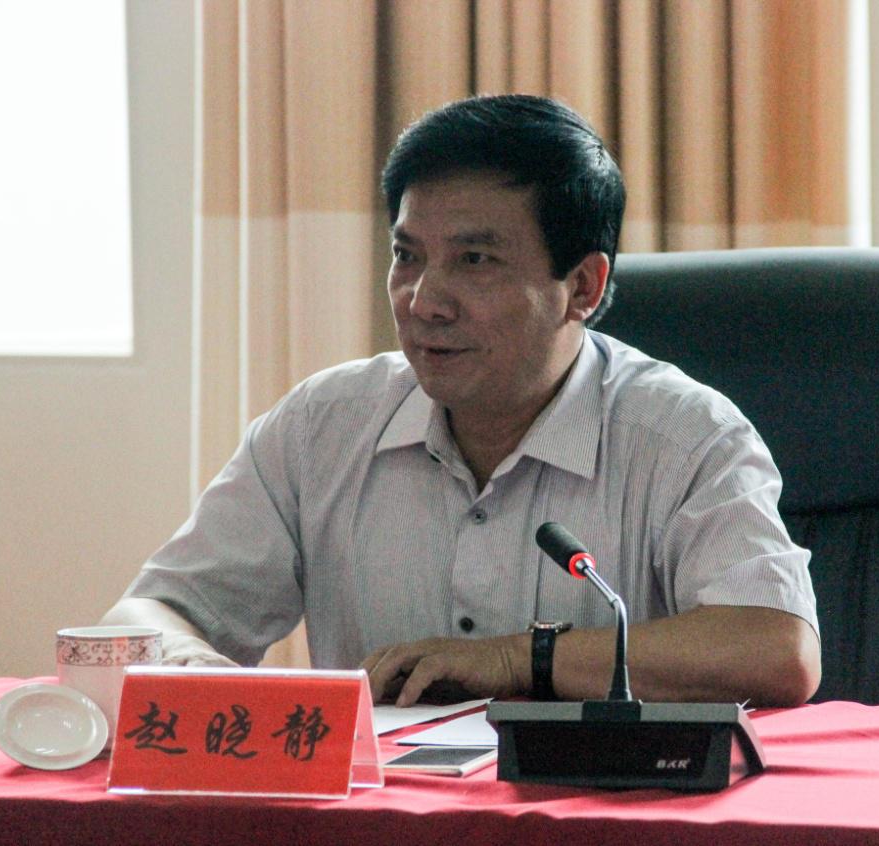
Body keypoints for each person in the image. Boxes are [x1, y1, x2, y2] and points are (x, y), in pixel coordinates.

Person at [101, 94, 821, 707]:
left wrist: (520, 658)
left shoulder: (682, 436)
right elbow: (148, 614)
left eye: (474, 261)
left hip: (598, 805)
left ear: (582, 286)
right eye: (407, 256)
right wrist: (197, 672)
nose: (423, 301)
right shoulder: (324, 425)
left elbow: (776, 647)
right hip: (381, 806)